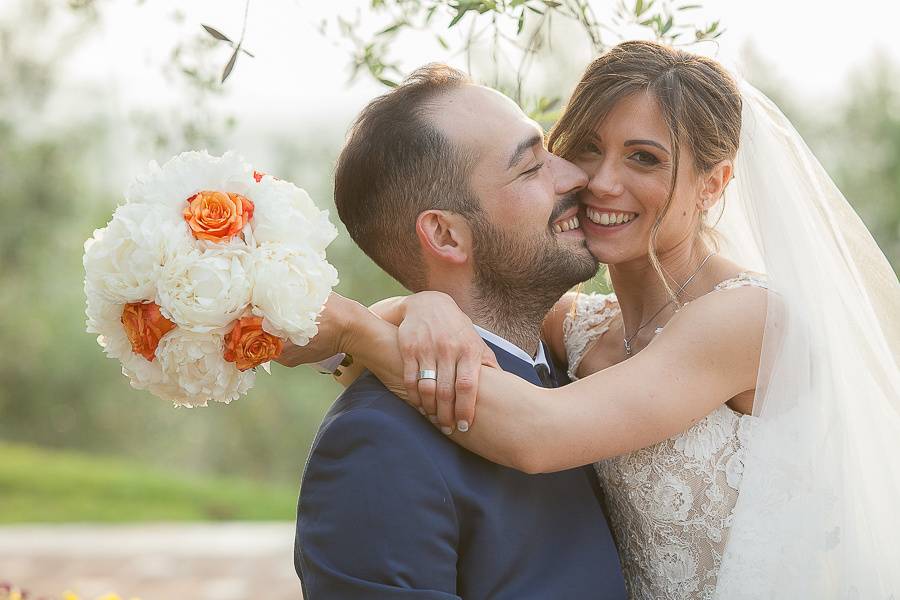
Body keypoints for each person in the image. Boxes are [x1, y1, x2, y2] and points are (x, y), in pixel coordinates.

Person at [283, 42, 900, 598]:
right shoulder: (578, 330)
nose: (597, 182)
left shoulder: (746, 317)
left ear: (714, 185)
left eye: (645, 159)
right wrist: (422, 304)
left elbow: (539, 433)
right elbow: (483, 306)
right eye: (582, 149)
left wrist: (356, 331)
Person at [287, 64, 626, 599]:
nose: (576, 176)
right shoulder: (378, 444)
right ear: (445, 234)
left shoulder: (584, 363)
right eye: (531, 167)